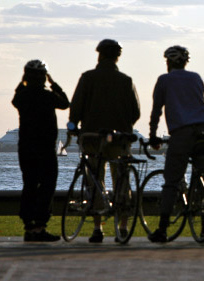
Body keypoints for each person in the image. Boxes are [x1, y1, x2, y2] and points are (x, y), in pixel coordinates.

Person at [68, 39, 141, 242]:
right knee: (122, 180)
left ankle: (98, 228)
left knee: (94, 180)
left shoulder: (87, 78)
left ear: (99, 55)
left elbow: (76, 107)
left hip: (92, 138)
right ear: (118, 57)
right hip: (119, 139)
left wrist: (74, 126)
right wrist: (125, 126)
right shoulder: (125, 81)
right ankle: (123, 226)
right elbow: (135, 112)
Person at [148, 45, 204, 243]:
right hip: (203, 132)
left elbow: (157, 110)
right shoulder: (196, 78)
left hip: (181, 134)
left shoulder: (164, 80)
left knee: (172, 182)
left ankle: (162, 228)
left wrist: (152, 135)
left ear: (168, 62)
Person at [12, 60, 69, 242]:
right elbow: (65, 103)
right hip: (45, 148)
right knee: (47, 186)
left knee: (29, 185)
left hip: (26, 148)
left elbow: (16, 97)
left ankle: (29, 225)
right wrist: (54, 84)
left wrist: (22, 82)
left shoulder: (22, 97)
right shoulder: (48, 96)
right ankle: (40, 225)